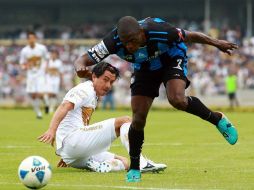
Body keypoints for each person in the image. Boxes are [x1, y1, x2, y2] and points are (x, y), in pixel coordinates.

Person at [74, 16, 238, 182]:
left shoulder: (161, 31)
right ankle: (135, 167)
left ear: (141, 33)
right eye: (125, 42)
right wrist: (79, 67)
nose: (129, 46)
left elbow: (191, 35)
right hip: (144, 67)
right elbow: (82, 59)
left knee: (177, 100)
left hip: (171, 58)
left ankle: (217, 119)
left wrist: (217, 43)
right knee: (138, 118)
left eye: (132, 40)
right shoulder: (112, 41)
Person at [38, 62, 166, 173]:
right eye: (105, 79)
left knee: (124, 162)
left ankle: (98, 166)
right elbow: (64, 106)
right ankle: (140, 163)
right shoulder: (85, 89)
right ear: (94, 76)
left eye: (111, 82)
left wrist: (67, 154)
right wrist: (51, 130)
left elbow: (73, 121)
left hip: (74, 153)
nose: (108, 85)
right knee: (125, 121)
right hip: (73, 143)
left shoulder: (93, 94)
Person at [19, 31, 49, 119]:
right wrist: (25, 67)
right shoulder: (24, 51)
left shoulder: (42, 48)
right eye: (29, 38)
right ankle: (39, 113)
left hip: (40, 74)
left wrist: (46, 68)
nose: (31, 40)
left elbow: (46, 59)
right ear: (27, 40)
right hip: (30, 75)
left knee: (39, 93)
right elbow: (21, 63)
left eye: (33, 38)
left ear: (35, 39)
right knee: (32, 94)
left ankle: (46, 103)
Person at [45, 49, 63, 114]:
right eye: (52, 54)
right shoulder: (48, 62)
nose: (53, 55)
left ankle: (51, 108)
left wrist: (61, 81)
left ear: (57, 55)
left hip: (56, 79)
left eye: (55, 54)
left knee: (54, 94)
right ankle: (47, 106)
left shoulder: (59, 62)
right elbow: (45, 70)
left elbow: (61, 72)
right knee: (48, 93)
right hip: (49, 79)